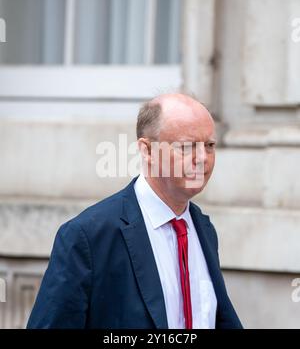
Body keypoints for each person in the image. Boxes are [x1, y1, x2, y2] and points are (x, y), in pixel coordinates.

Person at [27, 93, 242, 329]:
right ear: (147, 150)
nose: (202, 158)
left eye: (209, 146)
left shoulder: (203, 228)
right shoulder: (88, 236)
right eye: (186, 146)